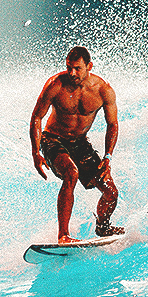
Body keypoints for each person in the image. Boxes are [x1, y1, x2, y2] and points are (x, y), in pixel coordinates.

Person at [29, 46, 124, 244]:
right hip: (53, 140)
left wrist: (108, 157)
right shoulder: (56, 85)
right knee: (71, 173)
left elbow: (112, 124)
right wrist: (36, 152)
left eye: (77, 68)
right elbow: (37, 117)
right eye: (69, 67)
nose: (72, 73)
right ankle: (63, 235)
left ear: (89, 66)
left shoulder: (103, 90)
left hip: (80, 144)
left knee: (111, 192)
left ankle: (103, 228)